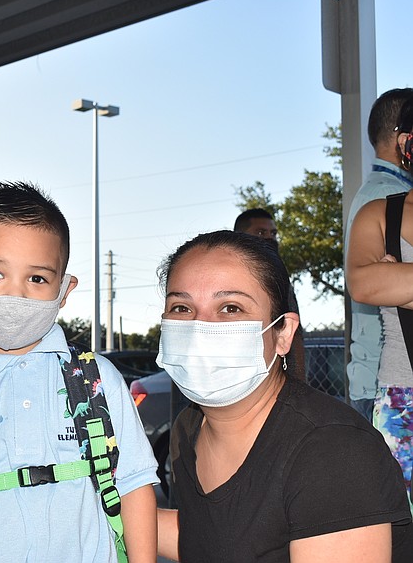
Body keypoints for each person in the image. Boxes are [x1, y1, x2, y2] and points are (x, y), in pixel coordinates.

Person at [0, 181, 159, 562]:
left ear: (64, 291)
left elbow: (135, 487)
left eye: (37, 278)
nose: (14, 294)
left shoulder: (95, 381)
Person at [155, 231, 413, 563]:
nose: (200, 328)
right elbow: (208, 539)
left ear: (283, 334)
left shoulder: (333, 450)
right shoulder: (189, 428)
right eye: (181, 307)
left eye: (230, 307)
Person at [346, 97, 413, 512]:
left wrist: (398, 276)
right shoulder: (380, 208)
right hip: (397, 393)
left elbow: (379, 283)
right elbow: (364, 284)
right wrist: (380, 279)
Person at [233, 208, 306, 381]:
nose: (269, 238)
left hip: (275, 378)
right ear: (239, 236)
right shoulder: (224, 275)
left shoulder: (278, 276)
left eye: (273, 233)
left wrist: (299, 381)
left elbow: (294, 333)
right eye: (261, 232)